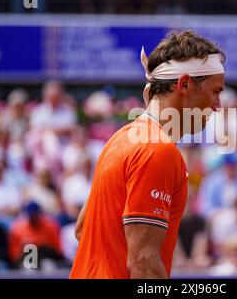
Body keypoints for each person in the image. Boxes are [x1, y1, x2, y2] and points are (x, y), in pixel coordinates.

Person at [70, 30, 225, 279]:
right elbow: (143, 263)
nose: (218, 105)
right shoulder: (158, 150)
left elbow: (82, 230)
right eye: (216, 91)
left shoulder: (119, 139)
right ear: (184, 85)